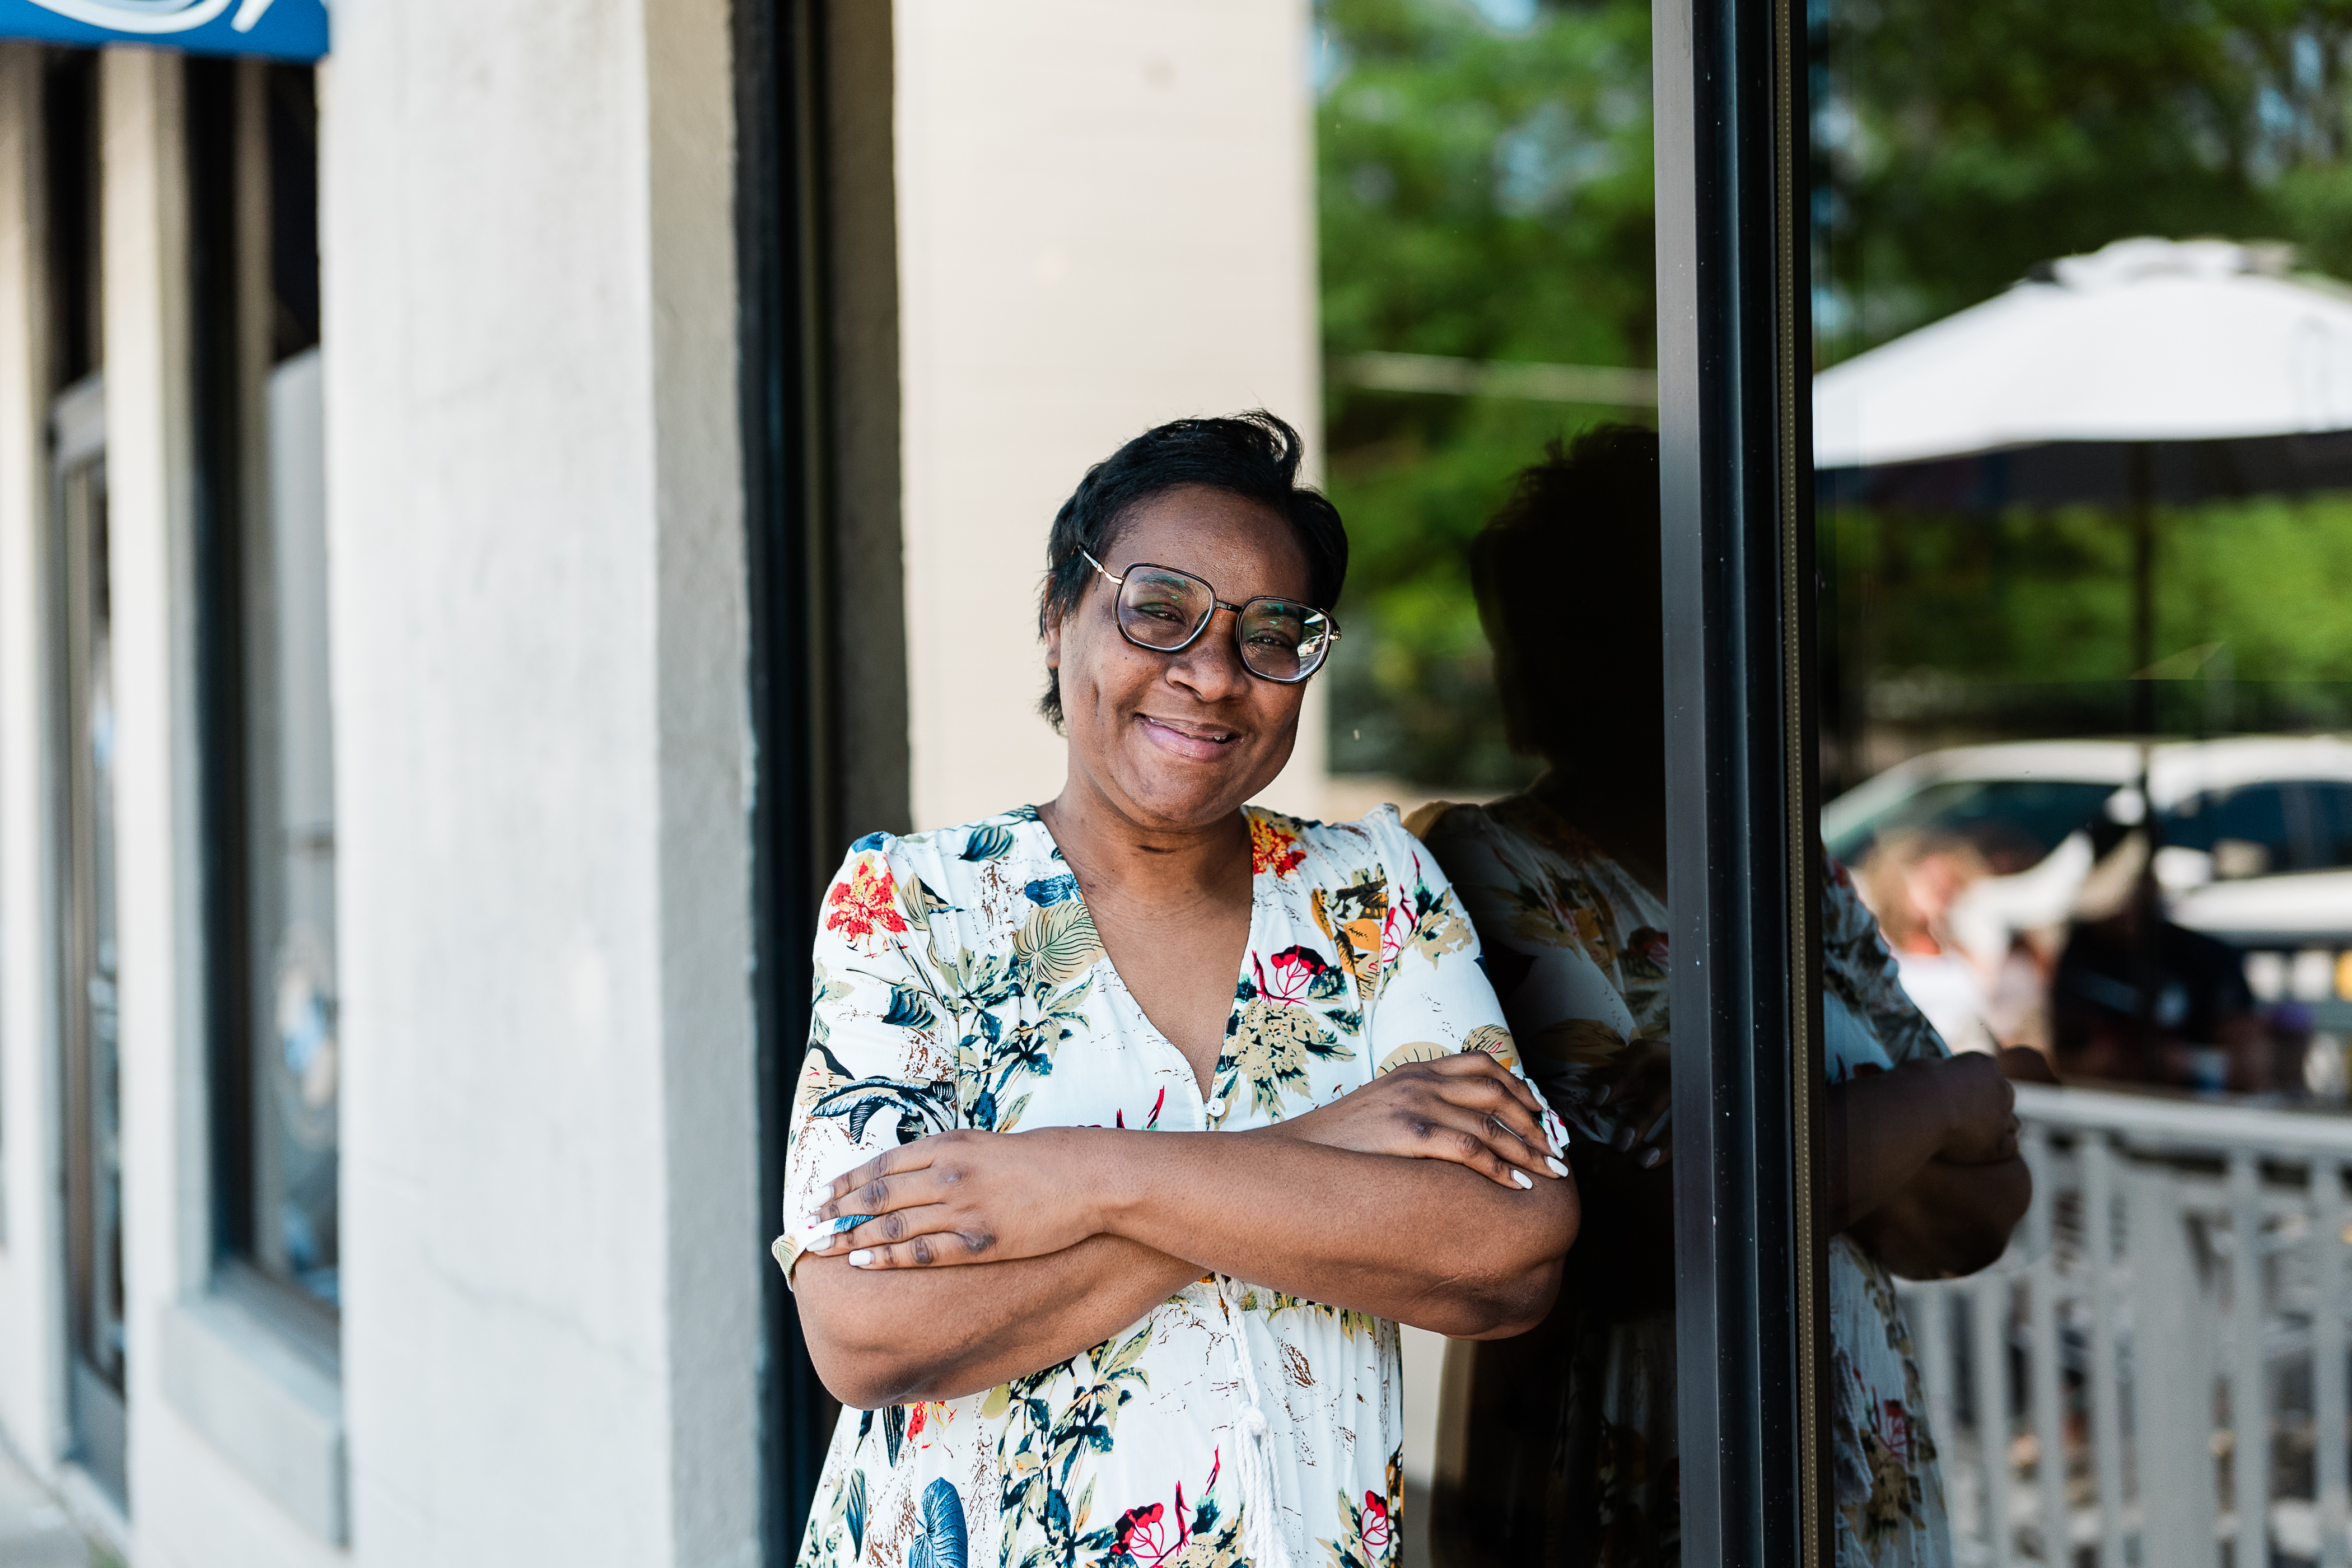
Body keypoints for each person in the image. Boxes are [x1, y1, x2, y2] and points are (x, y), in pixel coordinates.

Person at [776, 412, 1581, 1568]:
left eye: (1271, 634)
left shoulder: (1376, 890)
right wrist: (1321, 1149)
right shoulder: (913, 906)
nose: (1211, 674)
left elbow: (1509, 1247)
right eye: (1159, 609)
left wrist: (1085, 1176)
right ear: (1059, 620)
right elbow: (864, 1327)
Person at [1410, 426, 2032, 1568]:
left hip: (1854, 1482)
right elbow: (1648, 1227)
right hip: (1637, 1477)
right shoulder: (1492, 863)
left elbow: (1976, 1214)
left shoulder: (1792, 872)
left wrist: (1773, 1123)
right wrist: (1939, 1103)